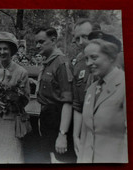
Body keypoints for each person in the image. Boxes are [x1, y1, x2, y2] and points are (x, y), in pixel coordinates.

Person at [78, 39, 127, 163]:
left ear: (111, 57)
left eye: (94, 57)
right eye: (86, 59)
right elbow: (85, 134)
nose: (88, 63)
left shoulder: (124, 85)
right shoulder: (91, 89)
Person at [0, 32, 30, 163]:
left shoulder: (21, 72)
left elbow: (25, 99)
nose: (2, 52)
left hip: (11, 122)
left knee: (10, 157)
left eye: (5, 49)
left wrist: (12, 99)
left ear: (12, 51)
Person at [35, 27, 75, 163]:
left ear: (53, 40)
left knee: (59, 160)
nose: (37, 46)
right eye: (36, 42)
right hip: (46, 119)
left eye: (41, 42)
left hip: (57, 120)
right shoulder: (48, 62)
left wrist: (62, 134)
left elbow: (68, 101)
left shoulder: (61, 63)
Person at [72, 19, 101, 156]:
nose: (81, 42)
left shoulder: (115, 62)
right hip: (85, 132)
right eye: (77, 38)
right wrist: (75, 136)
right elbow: (78, 103)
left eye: (85, 36)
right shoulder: (79, 62)